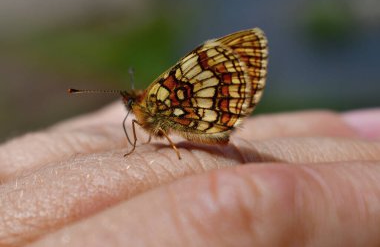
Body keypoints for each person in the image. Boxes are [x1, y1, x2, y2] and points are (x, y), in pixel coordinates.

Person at [0, 102, 379, 246]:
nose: (131, 111)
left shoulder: (157, 106)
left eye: (132, 105)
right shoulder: (145, 116)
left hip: (206, 121)